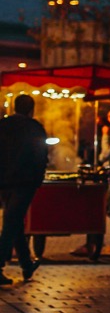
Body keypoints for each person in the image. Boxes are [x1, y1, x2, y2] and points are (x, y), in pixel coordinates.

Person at [0, 95, 49, 287]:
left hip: (4, 182)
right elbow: (41, 155)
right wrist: (38, 178)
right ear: (31, 109)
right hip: (25, 182)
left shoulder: (3, 125)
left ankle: (26, 264)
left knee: (14, 219)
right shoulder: (35, 128)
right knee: (12, 221)